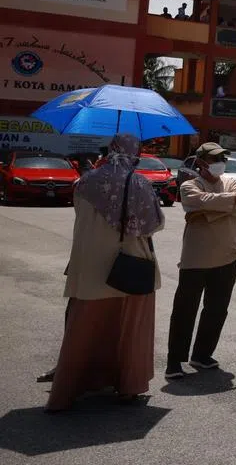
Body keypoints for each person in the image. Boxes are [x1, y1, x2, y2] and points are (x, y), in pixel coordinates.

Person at [46, 133, 164, 411]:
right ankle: (127, 386)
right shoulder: (138, 183)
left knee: (83, 330)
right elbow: (152, 224)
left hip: (88, 265)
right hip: (130, 265)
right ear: (133, 153)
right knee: (128, 330)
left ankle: (68, 391)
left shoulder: (84, 181)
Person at [167, 142, 236, 380]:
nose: (219, 164)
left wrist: (205, 210)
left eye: (221, 160)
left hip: (227, 255)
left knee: (217, 309)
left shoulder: (232, 182)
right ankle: (175, 361)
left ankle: (202, 354)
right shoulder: (189, 185)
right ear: (202, 163)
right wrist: (226, 204)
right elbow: (195, 203)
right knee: (184, 310)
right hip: (195, 258)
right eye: (214, 160)